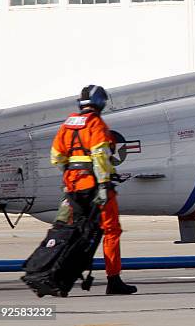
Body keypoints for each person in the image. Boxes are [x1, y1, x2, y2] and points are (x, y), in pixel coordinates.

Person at [51, 85, 137, 295]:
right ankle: (114, 280)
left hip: (73, 186)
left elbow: (56, 157)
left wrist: (71, 174)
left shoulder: (68, 124)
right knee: (111, 231)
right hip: (96, 187)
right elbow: (100, 156)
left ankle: (57, 275)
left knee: (72, 231)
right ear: (100, 103)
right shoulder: (96, 124)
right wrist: (104, 185)